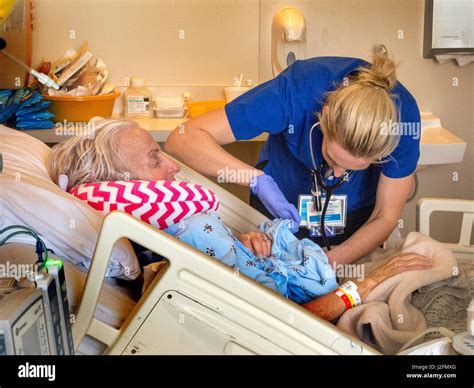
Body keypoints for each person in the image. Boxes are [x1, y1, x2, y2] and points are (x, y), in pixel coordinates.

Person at [47, 120, 431, 322]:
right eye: (153, 159)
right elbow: (286, 317)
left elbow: (237, 273)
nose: (172, 166)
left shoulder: (173, 233)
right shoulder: (175, 238)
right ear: (119, 186)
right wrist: (367, 286)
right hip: (324, 308)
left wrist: (242, 243)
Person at [164, 47, 421, 266]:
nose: (337, 174)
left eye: (354, 169)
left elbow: (385, 216)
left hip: (354, 213)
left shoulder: (401, 119)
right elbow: (182, 139)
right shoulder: (297, 90)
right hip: (279, 200)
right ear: (325, 117)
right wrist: (256, 180)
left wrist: (329, 263)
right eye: (333, 160)